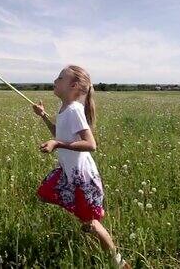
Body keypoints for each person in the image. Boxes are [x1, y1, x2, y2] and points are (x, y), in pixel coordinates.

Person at [33, 65, 130, 268]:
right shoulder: (65, 109)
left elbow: (91, 144)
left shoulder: (75, 110)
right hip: (68, 173)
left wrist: (58, 145)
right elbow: (59, 134)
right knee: (43, 194)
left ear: (74, 86)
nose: (55, 80)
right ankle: (83, 219)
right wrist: (43, 116)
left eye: (60, 78)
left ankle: (118, 263)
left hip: (81, 176)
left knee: (92, 223)